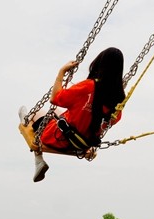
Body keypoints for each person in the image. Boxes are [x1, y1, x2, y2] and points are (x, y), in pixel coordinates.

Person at [25, 47, 126, 183]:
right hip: (84, 143)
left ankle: (38, 159)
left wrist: (61, 72)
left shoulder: (87, 87)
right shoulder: (118, 98)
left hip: (60, 139)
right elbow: (112, 121)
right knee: (60, 114)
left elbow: (55, 98)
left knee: (32, 114)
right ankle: (39, 160)